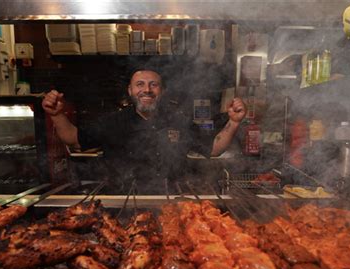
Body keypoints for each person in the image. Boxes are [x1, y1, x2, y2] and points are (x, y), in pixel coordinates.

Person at [42, 69, 246, 191]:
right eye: (140, 84)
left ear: (161, 91)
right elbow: (72, 139)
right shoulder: (113, 122)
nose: (147, 90)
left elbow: (214, 148)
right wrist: (56, 115)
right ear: (130, 91)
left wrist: (234, 122)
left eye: (153, 85)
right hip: (122, 202)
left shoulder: (178, 121)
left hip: (171, 201)